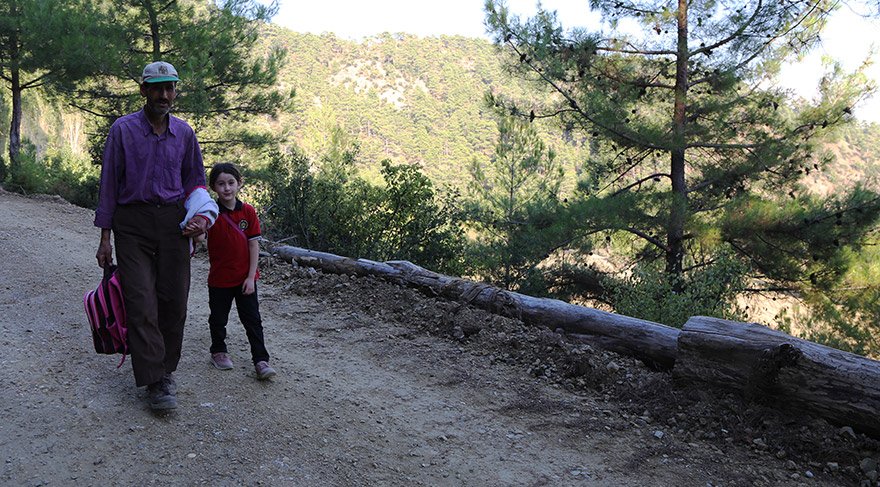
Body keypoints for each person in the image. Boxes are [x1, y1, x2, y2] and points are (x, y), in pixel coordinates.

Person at [94, 60, 208, 411]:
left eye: (170, 87)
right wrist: (104, 237)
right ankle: (155, 382)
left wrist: (202, 219)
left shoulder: (185, 133)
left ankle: (166, 369)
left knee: (174, 301)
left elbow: (196, 182)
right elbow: (110, 183)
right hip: (132, 225)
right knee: (141, 302)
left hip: (174, 224)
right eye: (157, 87)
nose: (164, 94)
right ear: (143, 90)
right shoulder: (123, 130)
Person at [205, 163, 276, 380]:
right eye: (221, 184)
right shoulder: (210, 213)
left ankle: (261, 360)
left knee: (252, 320)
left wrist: (251, 277)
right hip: (219, 279)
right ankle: (218, 351)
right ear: (213, 188)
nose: (226, 188)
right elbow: (198, 237)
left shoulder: (248, 212)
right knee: (218, 318)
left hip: (245, 279)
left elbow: (254, 245)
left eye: (231, 183)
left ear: (239, 184)